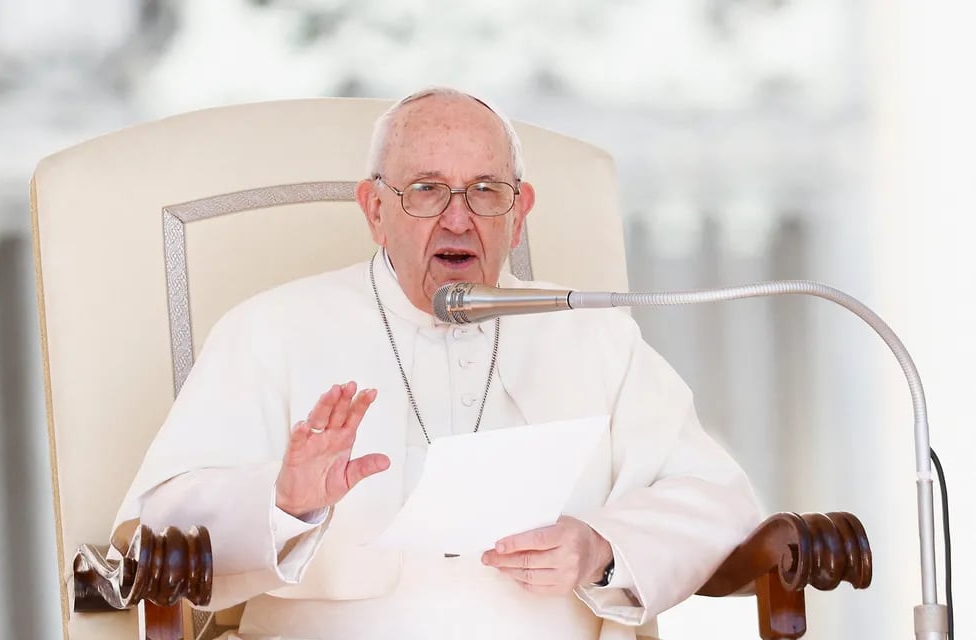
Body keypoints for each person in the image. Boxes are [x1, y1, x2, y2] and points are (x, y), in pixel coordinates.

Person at [112, 87, 761, 640]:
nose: (459, 218)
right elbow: (155, 530)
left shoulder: (593, 334)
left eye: (485, 191)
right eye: (426, 191)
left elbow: (718, 500)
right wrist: (283, 503)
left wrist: (602, 547)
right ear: (375, 209)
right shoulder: (269, 328)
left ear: (520, 210)